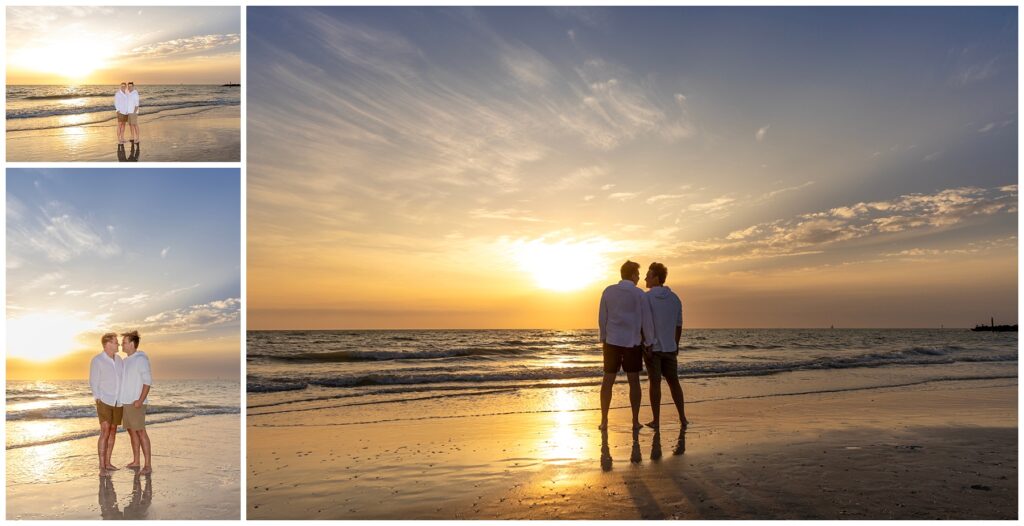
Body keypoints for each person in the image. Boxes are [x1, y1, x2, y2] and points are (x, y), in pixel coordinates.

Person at [598, 260, 655, 431]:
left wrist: (603, 337)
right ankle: (635, 421)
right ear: (632, 275)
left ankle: (604, 420)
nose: (639, 277)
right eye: (637, 274)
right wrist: (650, 341)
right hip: (632, 343)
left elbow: (602, 317)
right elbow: (647, 321)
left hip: (612, 342)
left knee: (608, 380)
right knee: (634, 382)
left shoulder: (608, 291)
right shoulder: (639, 294)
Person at [642, 262, 687, 429]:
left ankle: (656, 420)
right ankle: (682, 417)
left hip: (653, 348)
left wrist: (646, 343)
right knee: (674, 382)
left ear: (656, 278)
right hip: (669, 347)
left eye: (649, 275)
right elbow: (678, 325)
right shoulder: (675, 298)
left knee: (655, 384)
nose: (645, 278)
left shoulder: (646, 298)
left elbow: (644, 323)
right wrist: (676, 344)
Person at [118, 330, 153, 474]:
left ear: (132, 344)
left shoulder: (141, 359)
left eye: (124, 343)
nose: (122, 345)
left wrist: (140, 400)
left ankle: (148, 465)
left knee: (140, 432)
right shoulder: (126, 361)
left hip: (136, 402)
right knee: (132, 432)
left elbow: (147, 381)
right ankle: (136, 461)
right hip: (125, 402)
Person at [89, 332, 124, 475]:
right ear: (108, 344)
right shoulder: (97, 360)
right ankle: (101, 466)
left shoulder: (120, 360)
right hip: (104, 400)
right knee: (105, 431)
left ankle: (108, 463)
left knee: (113, 432)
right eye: (116, 342)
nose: (118, 344)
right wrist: (97, 397)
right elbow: (93, 380)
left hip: (118, 400)